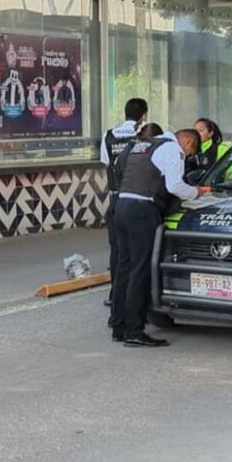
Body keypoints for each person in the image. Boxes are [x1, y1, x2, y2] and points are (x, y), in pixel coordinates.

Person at [111, 127, 206, 348]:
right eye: (190, 153)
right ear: (189, 143)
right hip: (143, 210)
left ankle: (119, 326)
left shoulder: (143, 145)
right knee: (140, 270)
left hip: (122, 207)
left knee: (124, 268)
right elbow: (174, 185)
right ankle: (135, 331)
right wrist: (197, 192)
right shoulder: (172, 149)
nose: (188, 157)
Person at [100, 98, 148, 308]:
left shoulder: (109, 135)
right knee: (136, 252)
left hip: (115, 197)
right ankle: (134, 297)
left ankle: (115, 295)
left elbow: (106, 162)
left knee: (117, 251)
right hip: (137, 199)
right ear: (144, 115)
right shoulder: (143, 137)